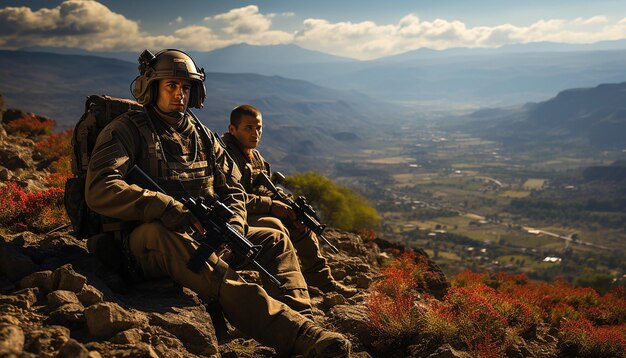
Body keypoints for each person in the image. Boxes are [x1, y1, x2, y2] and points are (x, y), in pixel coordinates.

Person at [84, 49, 351, 357]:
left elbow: (234, 190)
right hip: (144, 244)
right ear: (150, 87)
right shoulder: (126, 130)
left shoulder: (204, 136)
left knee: (275, 239)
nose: (179, 94)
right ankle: (298, 335)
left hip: (204, 236)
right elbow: (101, 187)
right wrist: (167, 207)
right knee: (179, 246)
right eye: (171, 85)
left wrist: (235, 224)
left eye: (186, 87)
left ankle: (303, 325)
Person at [222, 104, 357, 298]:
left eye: (259, 128)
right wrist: (270, 206)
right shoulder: (225, 155)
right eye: (248, 128)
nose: (255, 133)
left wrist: (287, 204)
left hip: (258, 210)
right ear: (232, 129)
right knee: (276, 228)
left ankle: (321, 281)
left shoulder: (255, 156)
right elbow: (230, 196)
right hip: (237, 216)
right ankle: (283, 291)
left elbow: (267, 188)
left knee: (300, 223)